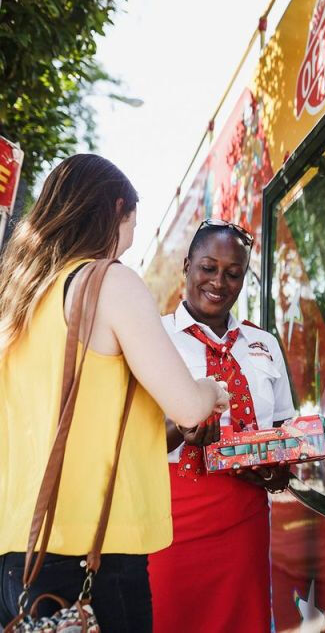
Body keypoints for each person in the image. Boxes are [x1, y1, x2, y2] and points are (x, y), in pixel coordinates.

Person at [0, 155, 229, 632]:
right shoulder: (107, 281)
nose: (131, 240)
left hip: (14, 554)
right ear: (117, 209)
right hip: (90, 554)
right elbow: (187, 405)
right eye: (133, 224)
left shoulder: (20, 295)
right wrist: (210, 390)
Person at [147, 219, 295, 633]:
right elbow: (129, 440)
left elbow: (282, 430)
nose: (219, 281)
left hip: (245, 521)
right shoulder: (152, 338)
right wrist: (182, 429)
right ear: (187, 265)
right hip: (170, 522)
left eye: (233, 273)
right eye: (208, 267)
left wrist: (277, 469)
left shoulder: (264, 344)